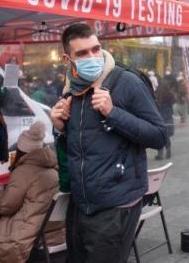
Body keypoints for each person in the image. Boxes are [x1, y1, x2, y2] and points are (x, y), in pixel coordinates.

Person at [49, 23, 167, 262]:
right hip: (81, 202)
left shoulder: (127, 82)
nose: (92, 57)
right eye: (82, 53)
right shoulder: (71, 89)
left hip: (117, 203)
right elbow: (81, 146)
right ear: (67, 58)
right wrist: (60, 129)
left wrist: (113, 112)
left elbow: (159, 135)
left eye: (96, 49)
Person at [0, 121, 59, 262]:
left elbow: (5, 207)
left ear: (21, 150)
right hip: (52, 232)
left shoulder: (23, 171)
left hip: (24, 235)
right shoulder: (55, 167)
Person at [155, 72, 176, 160]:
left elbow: (155, 102)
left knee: (160, 133)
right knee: (166, 133)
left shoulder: (158, 90)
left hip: (160, 113)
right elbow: (173, 100)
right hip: (167, 112)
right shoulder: (167, 90)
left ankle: (160, 154)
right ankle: (168, 151)